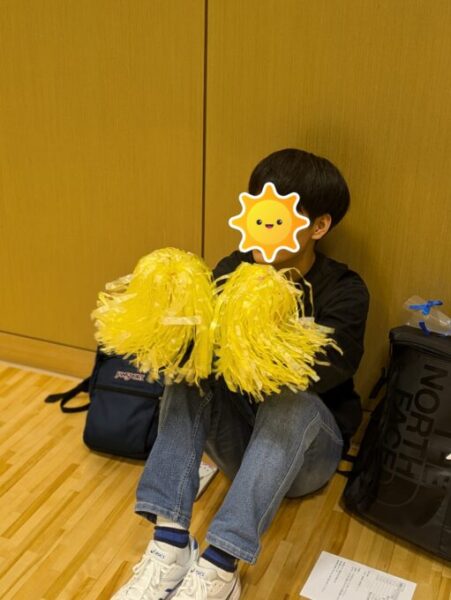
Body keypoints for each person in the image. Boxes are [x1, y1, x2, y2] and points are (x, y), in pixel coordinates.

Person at [111, 148, 370, 599]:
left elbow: (328, 369)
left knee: (291, 401)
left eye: (280, 215)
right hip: (240, 445)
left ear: (318, 226)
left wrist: (258, 335)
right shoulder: (234, 269)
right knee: (189, 372)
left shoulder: (345, 290)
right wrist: (174, 326)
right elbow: (201, 351)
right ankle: (170, 544)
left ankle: (220, 567)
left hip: (305, 458)